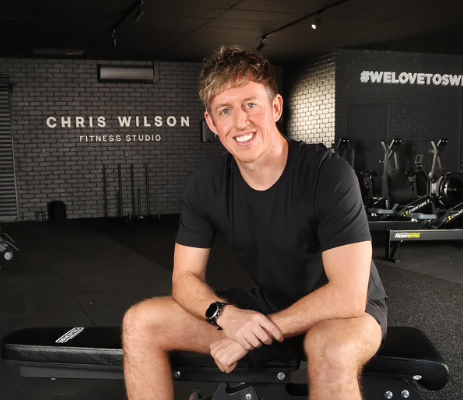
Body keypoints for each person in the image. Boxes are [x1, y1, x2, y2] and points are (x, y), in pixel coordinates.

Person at [122, 46, 387, 400]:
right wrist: (225, 316)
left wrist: (257, 331)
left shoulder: (328, 174)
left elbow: (348, 296)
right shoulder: (206, 186)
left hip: (348, 314)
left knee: (331, 349)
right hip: (272, 306)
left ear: (275, 108)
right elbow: (184, 280)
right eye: (225, 111)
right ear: (212, 123)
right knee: (141, 323)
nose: (240, 122)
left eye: (250, 104)